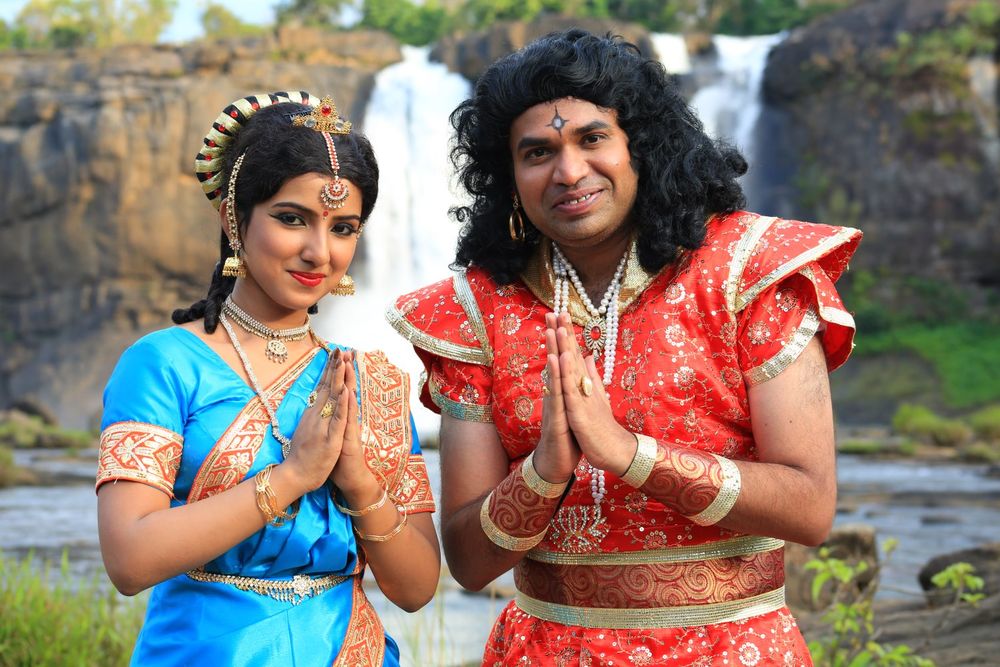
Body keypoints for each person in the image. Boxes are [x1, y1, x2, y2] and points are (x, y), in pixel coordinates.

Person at [388, 30, 861, 665]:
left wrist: (629, 453)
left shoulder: (749, 272)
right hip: (547, 651)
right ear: (509, 176)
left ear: (642, 145)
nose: (568, 172)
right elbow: (471, 565)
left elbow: (810, 509)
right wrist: (544, 472)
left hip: (730, 649)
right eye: (537, 152)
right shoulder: (476, 311)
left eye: (592, 139)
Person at [96, 91, 439, 666]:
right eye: (291, 219)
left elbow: (416, 589)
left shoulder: (367, 382)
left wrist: (358, 482)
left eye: (343, 228)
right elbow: (129, 560)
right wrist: (294, 476)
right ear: (234, 219)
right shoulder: (163, 364)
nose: (319, 252)